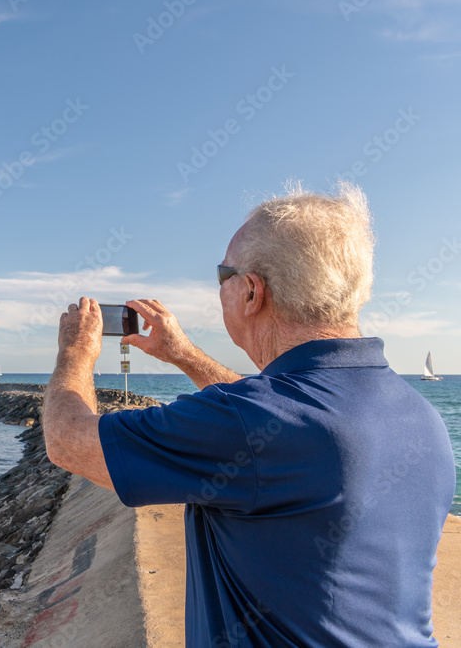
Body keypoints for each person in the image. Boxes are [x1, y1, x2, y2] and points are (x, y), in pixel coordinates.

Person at [42, 183, 456, 647]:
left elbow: (68, 440)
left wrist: (76, 352)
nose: (219, 286)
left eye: (223, 274)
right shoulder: (420, 416)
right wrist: (184, 355)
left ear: (252, 291)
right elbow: (278, 420)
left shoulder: (248, 421)